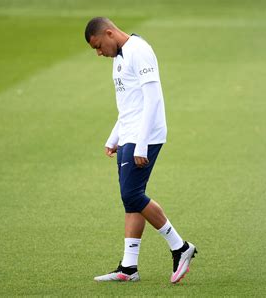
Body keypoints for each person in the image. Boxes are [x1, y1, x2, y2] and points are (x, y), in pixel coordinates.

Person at [84, 17, 197, 284]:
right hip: (129, 135)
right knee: (131, 199)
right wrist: (114, 137)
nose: (99, 53)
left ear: (109, 33)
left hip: (145, 136)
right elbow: (129, 105)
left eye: (99, 46)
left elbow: (152, 99)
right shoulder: (118, 59)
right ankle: (129, 268)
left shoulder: (140, 51)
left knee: (132, 194)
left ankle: (180, 247)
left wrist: (142, 142)